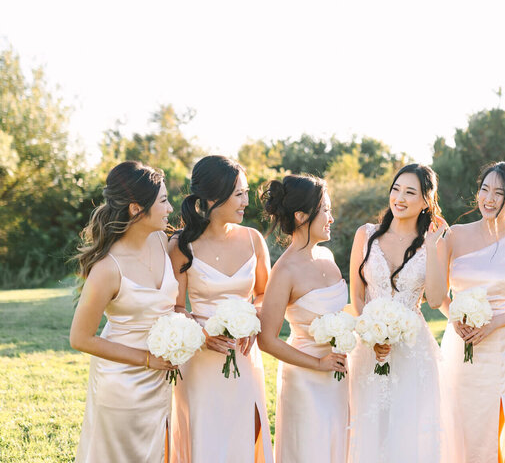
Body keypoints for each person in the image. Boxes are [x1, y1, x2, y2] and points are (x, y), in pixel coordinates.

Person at [71, 161, 179, 462]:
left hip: (161, 378)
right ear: (136, 208)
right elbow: (80, 338)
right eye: (163, 201)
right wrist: (147, 359)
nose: (170, 208)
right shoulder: (108, 268)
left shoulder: (161, 240)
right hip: (122, 384)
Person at [168, 155, 272, 463]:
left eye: (246, 192)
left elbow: (264, 293)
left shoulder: (253, 239)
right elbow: (174, 307)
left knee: (243, 434)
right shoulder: (182, 245)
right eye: (239, 193)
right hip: (201, 361)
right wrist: (201, 336)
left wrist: (253, 317)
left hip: (244, 353)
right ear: (214, 197)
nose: (246, 201)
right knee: (206, 439)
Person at [439, 160, 505, 463]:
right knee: (462, 420)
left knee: (504, 420)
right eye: (484, 189)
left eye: (499, 193)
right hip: (461, 343)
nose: (488, 198)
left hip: (503, 348)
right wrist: (454, 316)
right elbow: (440, 293)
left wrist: (493, 324)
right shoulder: (455, 235)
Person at [347, 163, 450, 463]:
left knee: (406, 430)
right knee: (371, 426)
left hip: (413, 350)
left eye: (410, 192)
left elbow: (434, 299)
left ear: (425, 202)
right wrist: (370, 332)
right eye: (396, 189)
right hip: (370, 347)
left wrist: (432, 247)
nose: (399, 198)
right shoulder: (366, 235)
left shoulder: (434, 243)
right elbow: (356, 292)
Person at [257, 174, 349, 463]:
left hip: (340, 377)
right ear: (300, 216)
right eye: (326, 211)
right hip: (306, 380)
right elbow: (267, 340)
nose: (331, 218)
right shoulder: (284, 272)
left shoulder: (327, 256)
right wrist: (318, 363)